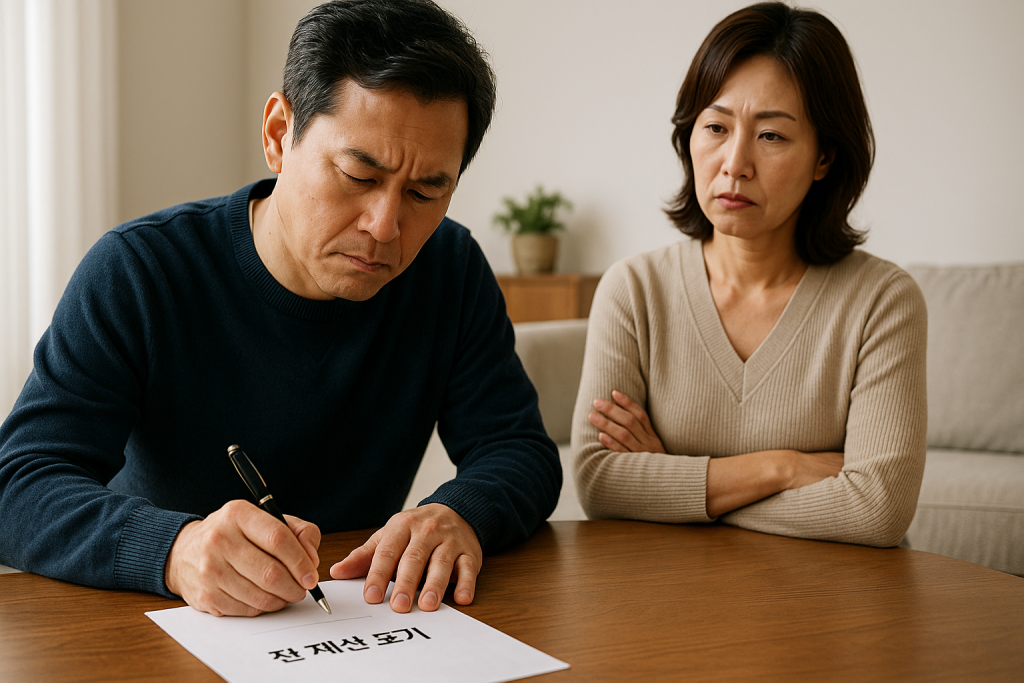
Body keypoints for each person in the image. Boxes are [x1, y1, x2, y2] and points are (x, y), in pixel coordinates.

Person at [0, 0, 560, 617]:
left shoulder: (448, 268)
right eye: (357, 174)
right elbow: (19, 485)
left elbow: (518, 449)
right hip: (158, 626)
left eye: (428, 191)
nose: (385, 227)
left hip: (357, 623)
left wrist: (461, 512)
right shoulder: (139, 271)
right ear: (277, 134)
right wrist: (175, 549)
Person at [572, 2, 926, 547]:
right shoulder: (634, 290)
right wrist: (781, 468)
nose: (734, 162)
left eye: (772, 136)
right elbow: (600, 483)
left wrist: (676, 483)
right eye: (715, 126)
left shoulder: (883, 300)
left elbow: (876, 511)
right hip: (672, 603)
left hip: (837, 611)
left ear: (824, 157)